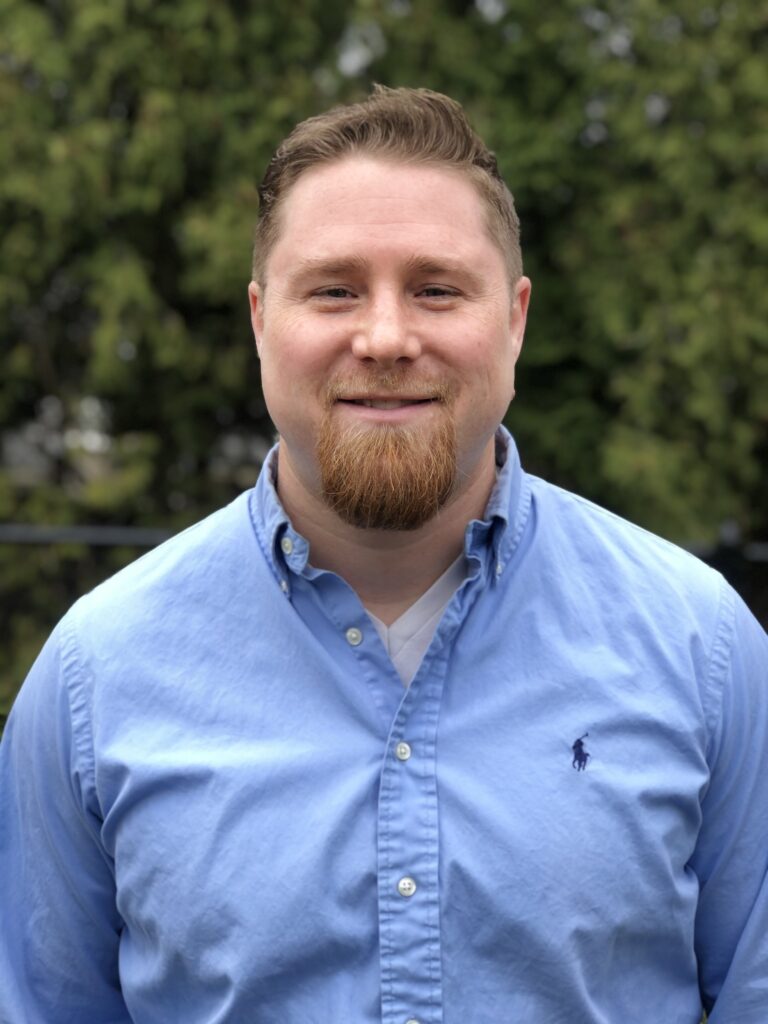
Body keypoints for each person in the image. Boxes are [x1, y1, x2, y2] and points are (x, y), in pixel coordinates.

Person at [1, 86, 766, 1024]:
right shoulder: (96, 675)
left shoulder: (702, 647)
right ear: (260, 321)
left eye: (437, 289)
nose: (387, 338)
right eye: (334, 290)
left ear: (515, 319)